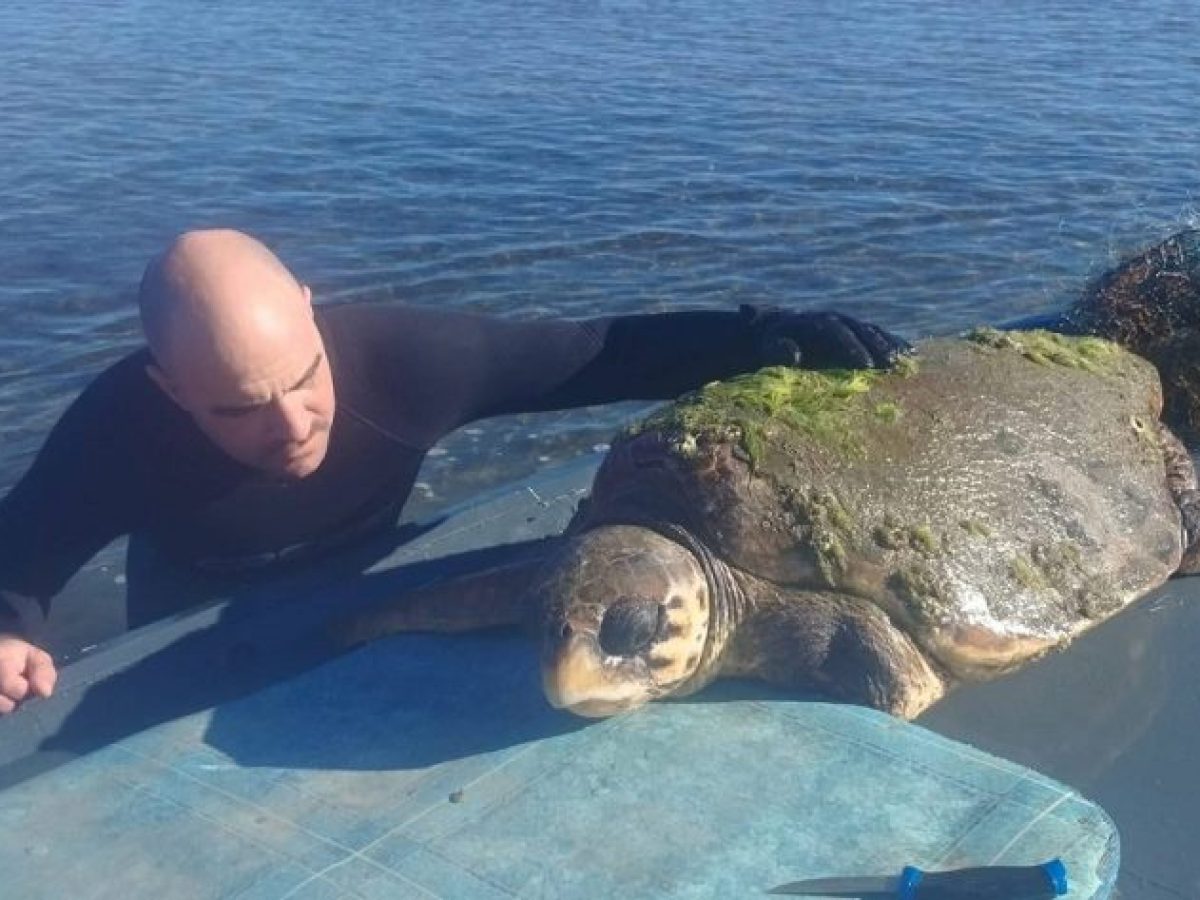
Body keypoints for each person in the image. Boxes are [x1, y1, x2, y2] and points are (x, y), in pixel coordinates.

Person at [0, 229, 909, 714]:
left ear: (314, 317)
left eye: (305, 379)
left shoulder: (404, 362)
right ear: (169, 388)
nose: (291, 426)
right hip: (190, 601)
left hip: (359, 570)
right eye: (237, 409)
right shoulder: (116, 425)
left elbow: (591, 354)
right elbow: (23, 552)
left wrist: (756, 333)